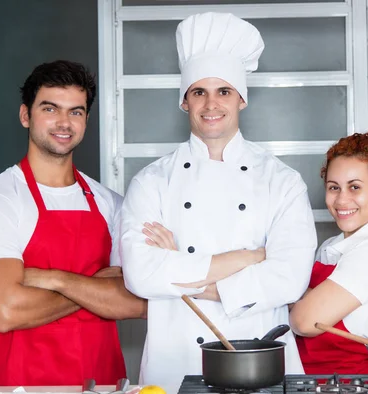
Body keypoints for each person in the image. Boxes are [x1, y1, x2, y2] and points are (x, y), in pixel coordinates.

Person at [120, 12, 317, 392]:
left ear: (241, 99)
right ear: (184, 102)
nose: (211, 104)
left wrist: (180, 271)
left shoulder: (282, 180)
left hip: (259, 357)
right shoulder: (151, 181)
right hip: (174, 361)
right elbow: (140, 274)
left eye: (223, 91)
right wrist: (250, 257)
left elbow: (290, 279)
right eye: (199, 92)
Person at [0, 60, 147, 386]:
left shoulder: (111, 204)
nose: (64, 122)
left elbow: (136, 302)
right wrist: (96, 286)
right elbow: (3, 311)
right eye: (50, 109)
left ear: (86, 121)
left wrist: (53, 280)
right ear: (25, 115)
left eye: (75, 112)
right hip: (17, 381)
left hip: (99, 378)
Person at [290, 126, 368, 374]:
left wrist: (294, 298)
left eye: (355, 187)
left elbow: (304, 321)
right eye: (334, 187)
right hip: (315, 385)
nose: (342, 200)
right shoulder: (331, 247)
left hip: (356, 386)